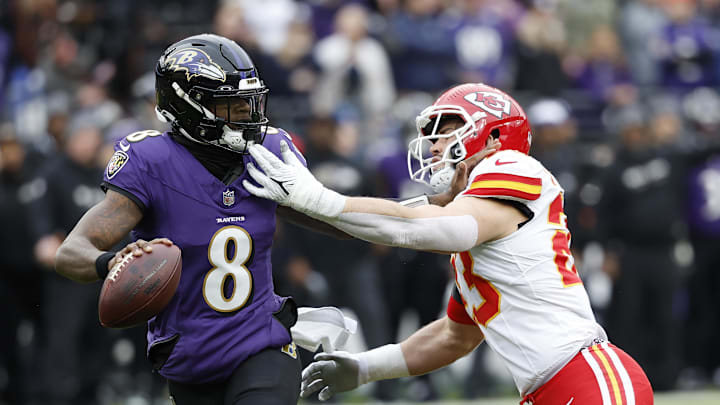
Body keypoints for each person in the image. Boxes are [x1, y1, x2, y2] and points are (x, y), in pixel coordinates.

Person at [53, 34, 487, 405]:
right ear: (186, 107)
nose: (248, 114)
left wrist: (425, 211)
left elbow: (338, 215)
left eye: (250, 101)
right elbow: (71, 252)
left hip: (260, 340)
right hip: (187, 352)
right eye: (232, 106)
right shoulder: (151, 161)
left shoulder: (268, 152)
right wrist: (109, 263)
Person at [242, 83, 655, 404]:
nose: (435, 145)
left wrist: (319, 198)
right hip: (550, 388)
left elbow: (421, 227)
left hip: (587, 377)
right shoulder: (479, 236)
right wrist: (366, 367)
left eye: (448, 130)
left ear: (493, 137)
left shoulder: (511, 166)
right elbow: (453, 337)